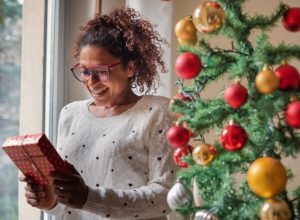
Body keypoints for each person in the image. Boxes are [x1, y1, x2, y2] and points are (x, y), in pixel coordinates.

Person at [19, 7, 177, 220]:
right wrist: (50, 201)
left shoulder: (158, 112)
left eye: (102, 71)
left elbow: (164, 196)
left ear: (130, 68)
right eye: (85, 71)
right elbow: (70, 208)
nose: (91, 82)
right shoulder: (70, 114)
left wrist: (88, 197)